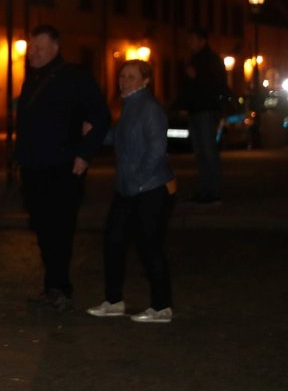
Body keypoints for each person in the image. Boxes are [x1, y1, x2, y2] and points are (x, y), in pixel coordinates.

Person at [15, 24, 110, 313]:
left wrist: (84, 154)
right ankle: (51, 286)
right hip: (33, 167)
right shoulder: (31, 79)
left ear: (55, 48)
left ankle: (60, 287)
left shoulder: (75, 77)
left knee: (60, 230)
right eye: (32, 47)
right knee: (43, 229)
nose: (33, 53)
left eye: (39, 48)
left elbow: (101, 116)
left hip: (62, 167)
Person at [86, 60, 176, 324]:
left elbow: (156, 149)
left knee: (150, 246)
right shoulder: (130, 106)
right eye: (122, 76)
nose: (124, 81)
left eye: (131, 77)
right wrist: (98, 134)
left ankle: (162, 306)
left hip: (150, 189)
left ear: (146, 80)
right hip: (128, 188)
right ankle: (113, 301)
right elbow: (122, 138)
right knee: (113, 242)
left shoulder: (149, 108)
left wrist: (137, 181)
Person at [180, 27, 227, 203]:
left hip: (206, 110)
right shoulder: (195, 59)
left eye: (192, 39)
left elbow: (216, 84)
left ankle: (213, 192)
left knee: (208, 151)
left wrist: (197, 76)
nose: (189, 43)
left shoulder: (210, 60)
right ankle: (205, 190)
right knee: (200, 153)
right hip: (196, 109)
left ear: (202, 41)